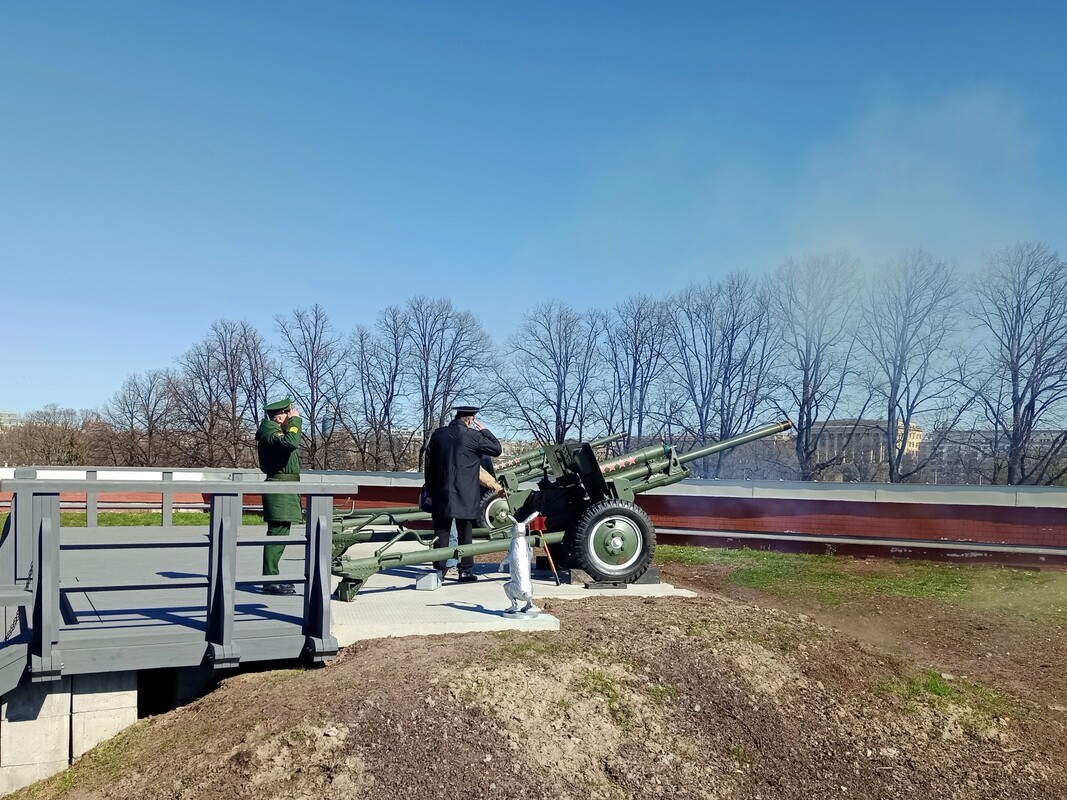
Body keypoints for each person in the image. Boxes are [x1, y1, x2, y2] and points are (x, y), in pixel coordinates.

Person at [424, 405, 502, 582]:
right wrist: (485, 432)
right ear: (470, 420)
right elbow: (496, 449)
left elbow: (429, 464)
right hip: (466, 494)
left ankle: (439, 571)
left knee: (441, 532)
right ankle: (465, 570)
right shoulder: (474, 436)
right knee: (465, 533)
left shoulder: (438, 435)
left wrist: (431, 489)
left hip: (441, 492)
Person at [256, 397, 303, 595]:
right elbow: (291, 443)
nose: (291, 417)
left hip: (285, 488)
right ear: (279, 417)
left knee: (280, 533)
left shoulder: (275, 432)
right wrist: (296, 422)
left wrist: (292, 424)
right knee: (277, 534)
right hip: (279, 488)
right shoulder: (270, 433)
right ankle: (270, 581)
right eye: (288, 414)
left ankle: (271, 578)